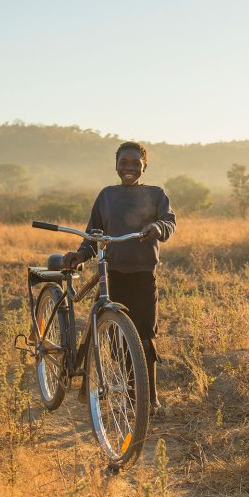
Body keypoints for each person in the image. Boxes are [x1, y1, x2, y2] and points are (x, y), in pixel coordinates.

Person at [62, 141, 176, 416]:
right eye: (123, 163)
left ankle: (150, 400)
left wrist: (157, 227)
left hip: (143, 277)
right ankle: (130, 394)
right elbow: (94, 234)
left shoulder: (156, 194)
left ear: (144, 166)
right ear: (116, 165)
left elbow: (169, 223)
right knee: (117, 340)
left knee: (145, 339)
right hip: (112, 276)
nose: (129, 168)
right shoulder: (106, 196)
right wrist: (81, 254)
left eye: (135, 163)